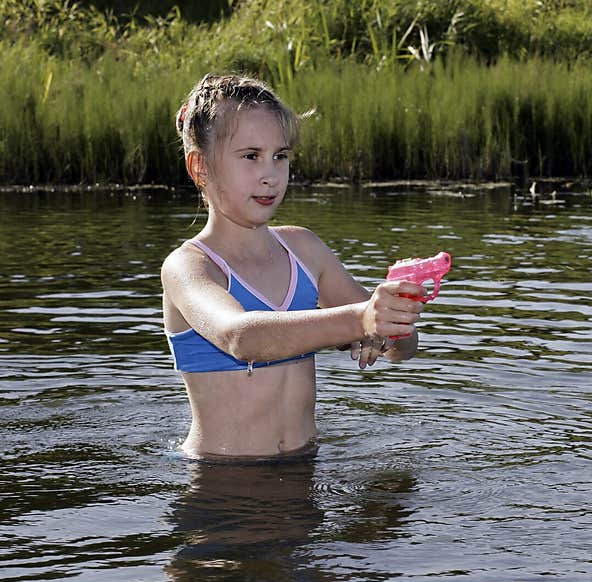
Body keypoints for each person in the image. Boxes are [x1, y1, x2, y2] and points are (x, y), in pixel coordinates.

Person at [161, 73, 426, 460]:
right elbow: (240, 337)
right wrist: (359, 320)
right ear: (200, 167)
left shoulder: (304, 249)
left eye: (280, 156)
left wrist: (395, 316)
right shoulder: (189, 266)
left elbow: (401, 351)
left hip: (304, 467)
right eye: (251, 156)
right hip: (221, 481)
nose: (270, 175)